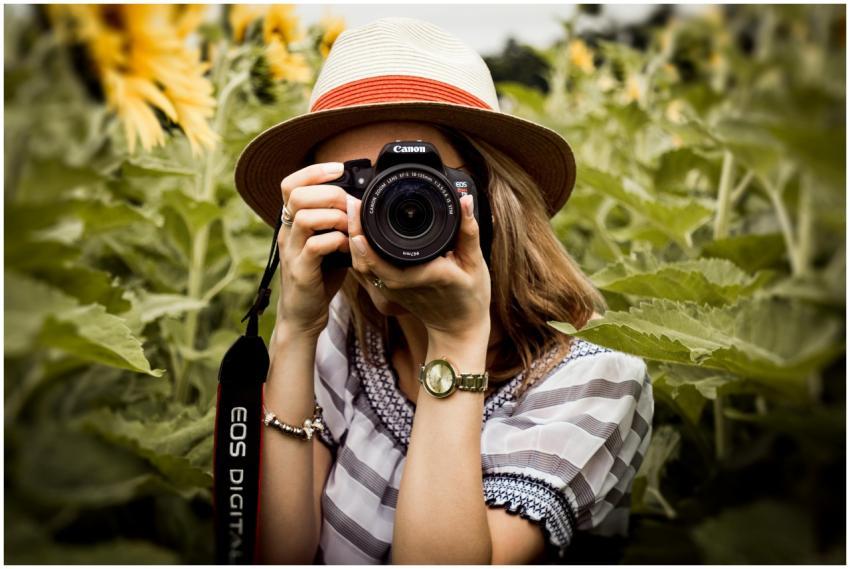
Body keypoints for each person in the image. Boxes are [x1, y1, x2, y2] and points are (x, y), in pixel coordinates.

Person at [233, 16, 654, 565]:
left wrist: (456, 338)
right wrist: (295, 326)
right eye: (359, 185)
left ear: (490, 199)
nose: (390, 210)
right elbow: (276, 557)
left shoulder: (598, 384)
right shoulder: (345, 331)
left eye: (417, 183)